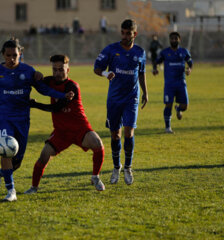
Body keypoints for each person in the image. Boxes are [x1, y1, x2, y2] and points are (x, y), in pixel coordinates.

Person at [0, 38, 73, 202]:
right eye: (8, 55)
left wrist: (62, 95)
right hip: (4, 117)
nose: (11, 59)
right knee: (5, 148)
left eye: (15, 55)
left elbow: (43, 89)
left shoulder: (28, 71)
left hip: (22, 119)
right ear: (3, 55)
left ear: (20, 54)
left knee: (17, 162)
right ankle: (10, 190)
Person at [24, 54, 105, 194]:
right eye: (54, 69)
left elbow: (57, 108)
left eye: (61, 69)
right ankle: (33, 188)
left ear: (68, 70)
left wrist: (35, 104)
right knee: (44, 155)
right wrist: (35, 74)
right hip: (61, 132)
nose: (57, 73)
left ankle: (95, 177)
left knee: (98, 144)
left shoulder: (72, 86)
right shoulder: (49, 81)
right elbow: (35, 83)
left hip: (80, 129)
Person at [93, 19, 148, 185]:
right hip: (114, 99)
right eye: (122, 33)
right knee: (115, 134)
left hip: (132, 98)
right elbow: (96, 68)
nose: (124, 36)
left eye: (128, 33)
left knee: (129, 132)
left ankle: (128, 167)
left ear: (134, 34)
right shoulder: (111, 50)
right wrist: (105, 74)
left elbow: (141, 72)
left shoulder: (140, 52)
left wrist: (146, 91)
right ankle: (117, 167)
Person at [152, 32, 193, 134]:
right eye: (172, 39)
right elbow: (156, 62)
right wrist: (155, 69)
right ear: (169, 40)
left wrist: (189, 70)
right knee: (168, 104)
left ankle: (178, 109)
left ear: (179, 39)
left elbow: (190, 63)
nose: (174, 40)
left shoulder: (184, 51)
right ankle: (168, 128)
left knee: (185, 106)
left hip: (181, 83)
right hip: (169, 84)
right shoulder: (165, 52)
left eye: (176, 39)